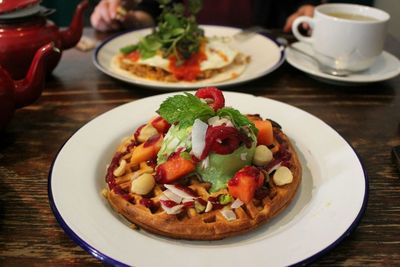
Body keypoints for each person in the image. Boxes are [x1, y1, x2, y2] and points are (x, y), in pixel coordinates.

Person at [90, 0, 373, 32]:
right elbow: (149, 17)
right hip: (169, 81)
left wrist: (307, 12)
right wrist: (120, 16)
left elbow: (298, 8)